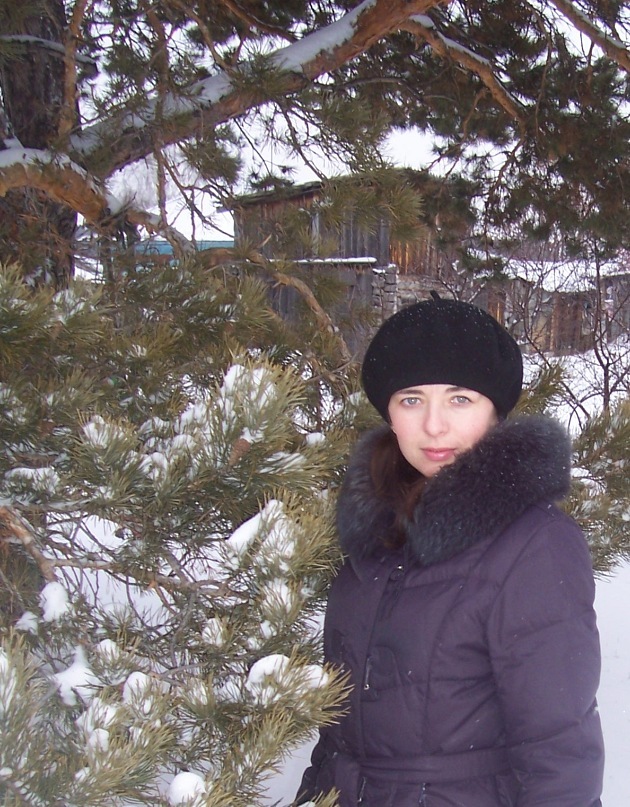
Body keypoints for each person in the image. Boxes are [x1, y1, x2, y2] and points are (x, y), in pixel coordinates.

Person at [296, 293, 604, 807]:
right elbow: (340, 729)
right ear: (389, 412)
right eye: (411, 399)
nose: (434, 425)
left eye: (460, 399)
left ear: (495, 411)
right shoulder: (374, 532)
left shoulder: (535, 544)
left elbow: (560, 753)